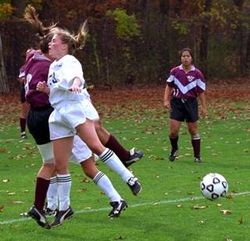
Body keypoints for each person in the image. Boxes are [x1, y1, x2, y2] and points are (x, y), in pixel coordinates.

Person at [36, 23, 142, 228]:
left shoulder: (70, 60)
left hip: (73, 111)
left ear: (65, 45)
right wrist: (46, 90)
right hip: (58, 114)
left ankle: (129, 178)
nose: (50, 43)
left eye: (54, 41)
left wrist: (76, 83)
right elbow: (58, 91)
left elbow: (77, 76)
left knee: (96, 148)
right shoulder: (53, 65)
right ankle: (64, 208)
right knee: (59, 165)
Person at [163, 48, 207, 163]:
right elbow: (169, 86)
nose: (185, 58)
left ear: (191, 58)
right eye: (183, 56)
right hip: (177, 103)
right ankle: (174, 149)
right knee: (173, 131)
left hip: (191, 103)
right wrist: (166, 100)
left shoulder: (197, 73)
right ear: (180, 58)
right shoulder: (175, 71)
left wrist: (203, 107)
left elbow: (201, 92)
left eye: (187, 56)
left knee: (193, 130)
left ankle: (197, 156)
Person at [18, 49, 34, 139]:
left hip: (37, 90)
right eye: (28, 54)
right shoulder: (24, 67)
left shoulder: (39, 65)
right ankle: (23, 132)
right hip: (25, 90)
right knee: (25, 111)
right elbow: (21, 79)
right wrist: (26, 79)